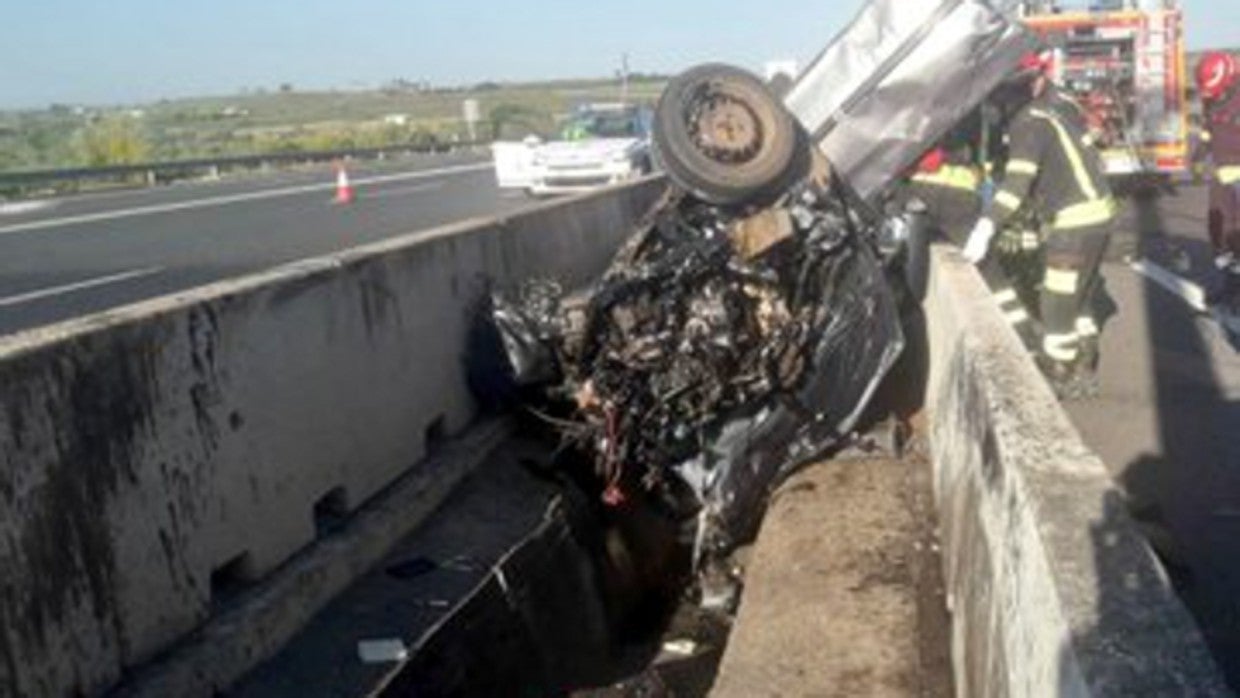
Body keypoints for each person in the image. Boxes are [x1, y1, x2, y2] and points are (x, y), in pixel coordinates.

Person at [964, 51, 1117, 394]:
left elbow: (1016, 186)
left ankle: (1062, 371)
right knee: (1077, 295)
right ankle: (1086, 358)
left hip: (1076, 223)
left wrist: (987, 226)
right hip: (1099, 216)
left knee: (1056, 304)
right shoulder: (1053, 111)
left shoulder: (1028, 123)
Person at [1197, 52, 1240, 278]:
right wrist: (1198, 157)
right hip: (1220, 175)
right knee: (1218, 231)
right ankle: (1229, 284)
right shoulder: (1211, 98)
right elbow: (1207, 131)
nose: (1215, 96)